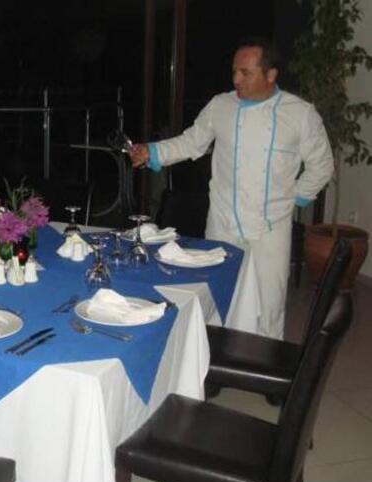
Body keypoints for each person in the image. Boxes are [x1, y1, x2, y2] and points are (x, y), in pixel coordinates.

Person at [129, 37, 333, 340]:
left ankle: (265, 358)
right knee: (219, 296)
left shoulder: (300, 114)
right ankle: (214, 358)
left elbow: (322, 165)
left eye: (245, 73)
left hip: (270, 229)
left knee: (268, 303)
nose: (236, 79)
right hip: (222, 223)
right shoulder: (220, 105)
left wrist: (294, 199)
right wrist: (152, 151)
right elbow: (191, 142)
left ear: (271, 74)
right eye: (234, 71)